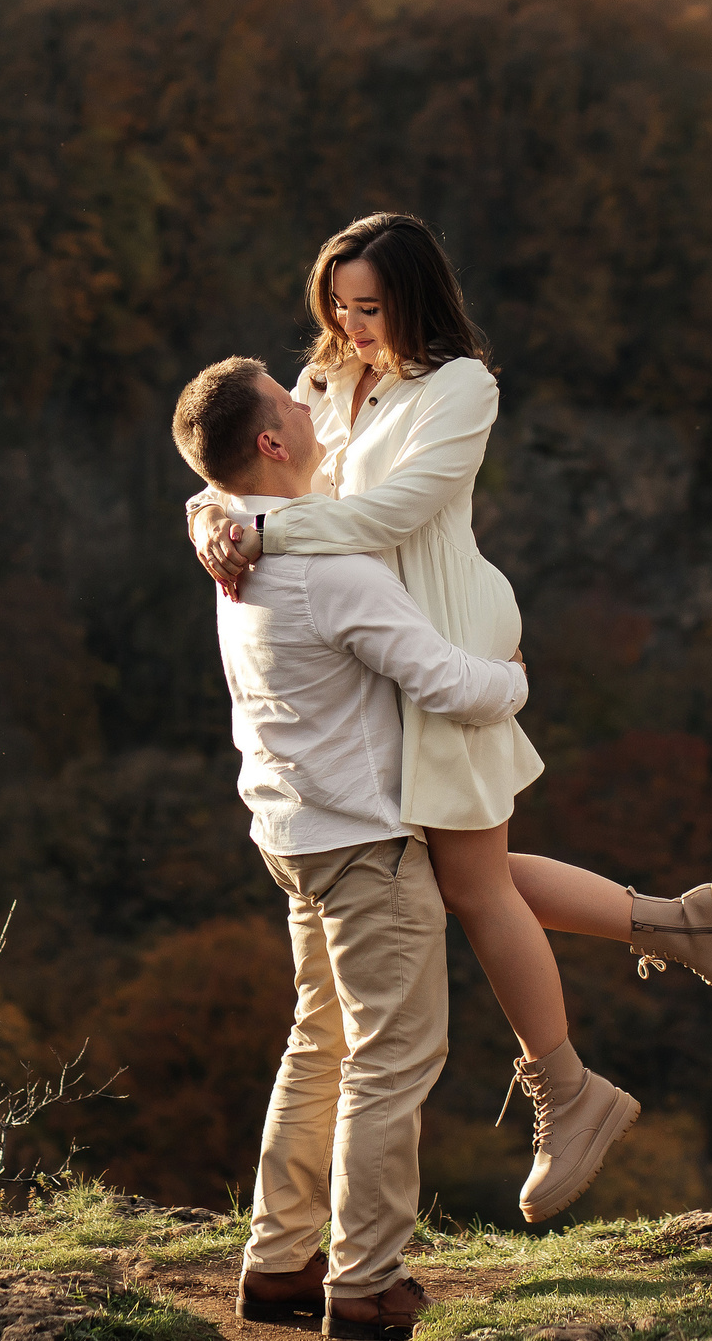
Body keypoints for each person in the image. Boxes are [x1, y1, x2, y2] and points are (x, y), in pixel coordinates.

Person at [187, 213, 712, 1224]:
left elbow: (387, 516)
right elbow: (248, 461)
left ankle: (570, 1090)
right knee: (465, 873)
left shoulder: (461, 390)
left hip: (446, 639)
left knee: (465, 882)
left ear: (415, 297)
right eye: (338, 305)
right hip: (378, 645)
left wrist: (250, 524)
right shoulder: (326, 381)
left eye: (370, 307)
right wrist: (209, 513)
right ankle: (683, 927)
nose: (350, 325)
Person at [172, 356, 534, 1338]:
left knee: (320, 1043)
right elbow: (445, 684)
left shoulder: (239, 546)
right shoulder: (322, 569)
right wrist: (511, 679)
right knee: (393, 1054)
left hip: (292, 834)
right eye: (294, 401)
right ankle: (364, 1283)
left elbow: (220, 480)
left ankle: (278, 1262)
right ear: (271, 444)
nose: (310, 397)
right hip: (365, 844)